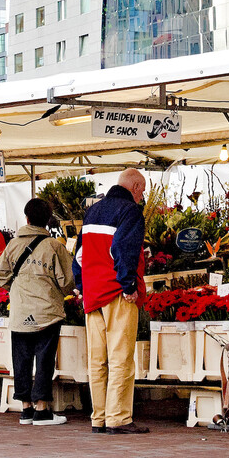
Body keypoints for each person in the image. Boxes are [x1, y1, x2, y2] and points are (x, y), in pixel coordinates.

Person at [73, 168, 148, 434]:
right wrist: (128, 285)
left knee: (97, 360)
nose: (142, 197)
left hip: (92, 294)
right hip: (116, 292)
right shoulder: (130, 211)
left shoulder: (93, 211)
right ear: (136, 187)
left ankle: (99, 418)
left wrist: (82, 286)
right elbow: (123, 249)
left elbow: (79, 256)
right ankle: (118, 418)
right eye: (143, 192)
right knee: (120, 358)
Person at [0, 197, 74, 426]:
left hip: (20, 311)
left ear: (26, 218)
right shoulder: (54, 246)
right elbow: (67, 280)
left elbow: (0, 275)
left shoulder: (13, 245)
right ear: (47, 220)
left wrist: (17, 288)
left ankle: (25, 408)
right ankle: (42, 408)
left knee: (21, 358)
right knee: (45, 359)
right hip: (47, 311)